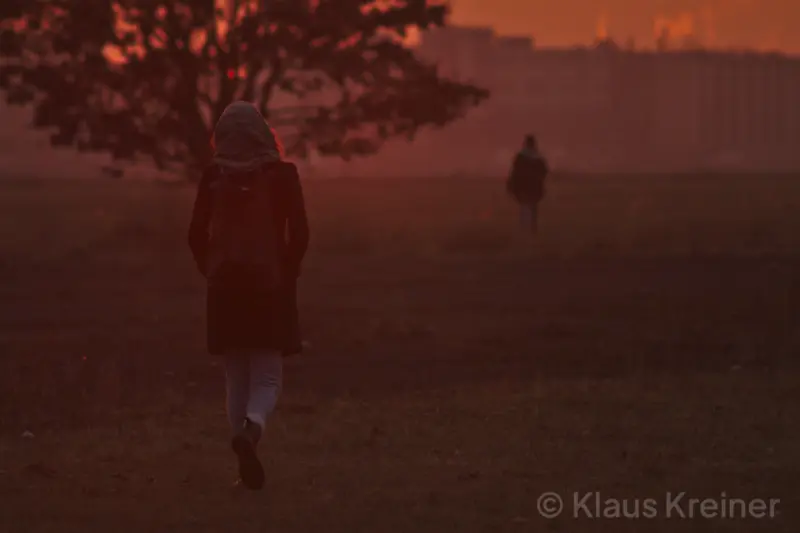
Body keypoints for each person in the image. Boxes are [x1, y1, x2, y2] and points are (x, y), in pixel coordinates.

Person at [187, 101, 309, 490]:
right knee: (267, 375)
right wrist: (287, 273)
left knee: (236, 375)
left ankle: (243, 467)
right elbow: (300, 233)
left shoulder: (213, 176)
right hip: (269, 286)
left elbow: (195, 235)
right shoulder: (284, 175)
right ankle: (252, 431)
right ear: (263, 134)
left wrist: (211, 272)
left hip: (224, 288)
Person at [507, 134, 549, 234]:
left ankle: (524, 228)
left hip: (524, 186)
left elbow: (515, 172)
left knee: (524, 206)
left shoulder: (521, 157)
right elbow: (544, 172)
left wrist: (512, 184)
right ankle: (532, 228)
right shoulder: (538, 158)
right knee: (533, 207)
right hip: (534, 186)